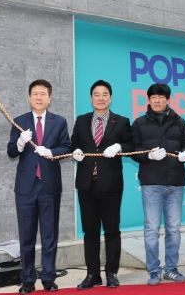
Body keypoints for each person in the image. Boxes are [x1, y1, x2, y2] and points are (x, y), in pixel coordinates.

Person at [7, 79, 72, 293]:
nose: (39, 97)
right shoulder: (19, 121)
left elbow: (67, 147)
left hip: (49, 187)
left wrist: (51, 152)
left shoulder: (59, 121)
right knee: (26, 235)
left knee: (49, 235)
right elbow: (11, 151)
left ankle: (48, 277)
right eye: (35, 93)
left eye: (43, 94)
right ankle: (27, 279)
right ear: (29, 97)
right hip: (25, 187)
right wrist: (19, 143)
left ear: (49, 98)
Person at [70, 80, 133, 289]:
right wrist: (75, 151)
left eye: (105, 94)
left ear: (110, 98)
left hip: (111, 184)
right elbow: (73, 144)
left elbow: (132, 144)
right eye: (96, 94)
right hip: (86, 184)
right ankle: (92, 274)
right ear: (91, 98)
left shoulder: (121, 121)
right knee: (90, 232)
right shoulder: (81, 120)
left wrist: (119, 146)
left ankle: (111, 273)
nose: (100, 98)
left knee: (112, 230)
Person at [130, 83, 185, 286]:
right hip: (151, 183)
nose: (157, 100)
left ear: (168, 99)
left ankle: (171, 269)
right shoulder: (139, 123)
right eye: (153, 97)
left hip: (175, 182)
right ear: (148, 100)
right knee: (151, 229)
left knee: (174, 229)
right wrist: (147, 155)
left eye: (161, 97)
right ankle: (154, 271)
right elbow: (133, 150)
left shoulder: (180, 122)